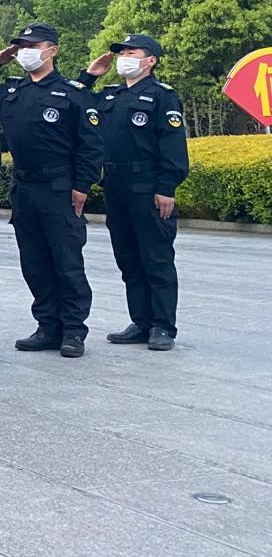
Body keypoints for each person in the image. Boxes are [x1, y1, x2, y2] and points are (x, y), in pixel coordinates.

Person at [0, 23, 102, 357]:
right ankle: (47, 325)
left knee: (66, 261)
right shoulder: (13, 90)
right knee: (34, 262)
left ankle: (73, 330)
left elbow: (90, 145)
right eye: (21, 46)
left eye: (33, 46)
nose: (26, 52)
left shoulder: (73, 93)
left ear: (52, 51)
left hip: (60, 186)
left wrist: (82, 185)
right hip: (24, 187)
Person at [78, 34, 189, 350]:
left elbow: (172, 145)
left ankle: (163, 326)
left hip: (148, 187)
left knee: (156, 258)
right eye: (121, 53)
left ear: (150, 60)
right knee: (128, 257)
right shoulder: (110, 95)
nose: (124, 57)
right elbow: (73, 103)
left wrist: (166, 187)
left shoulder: (162, 96)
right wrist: (89, 76)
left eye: (131, 52)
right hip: (116, 186)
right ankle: (141, 321)